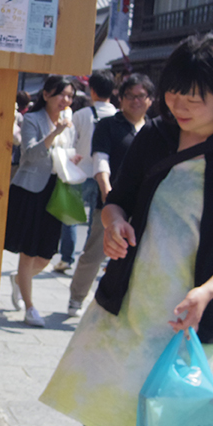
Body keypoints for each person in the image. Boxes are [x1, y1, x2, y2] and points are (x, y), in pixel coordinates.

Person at [40, 34, 213, 426]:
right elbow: (120, 202)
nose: (179, 105)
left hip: (194, 324)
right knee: (96, 413)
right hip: (130, 308)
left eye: (194, 97)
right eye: (174, 93)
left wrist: (206, 292)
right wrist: (114, 223)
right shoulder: (157, 135)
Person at [66, 73, 154, 317]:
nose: (135, 101)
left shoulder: (155, 130)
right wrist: (109, 196)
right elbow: (100, 162)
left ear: (150, 99)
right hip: (112, 202)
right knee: (95, 251)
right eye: (129, 96)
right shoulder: (109, 125)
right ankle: (77, 298)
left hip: (145, 206)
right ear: (120, 98)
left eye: (140, 96)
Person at [4, 75, 77, 326]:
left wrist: (72, 158)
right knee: (28, 251)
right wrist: (55, 133)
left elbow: (69, 152)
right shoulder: (32, 120)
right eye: (61, 94)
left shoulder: (69, 122)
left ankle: (19, 280)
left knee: (46, 255)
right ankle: (30, 307)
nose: (65, 100)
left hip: (57, 190)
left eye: (69, 96)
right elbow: (31, 155)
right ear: (46, 94)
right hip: (31, 191)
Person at [54, 71, 117, 273]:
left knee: (70, 218)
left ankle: (66, 258)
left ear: (93, 90)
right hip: (105, 177)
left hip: (79, 173)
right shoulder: (118, 117)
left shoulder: (81, 115)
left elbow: (69, 143)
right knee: (97, 222)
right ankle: (92, 258)